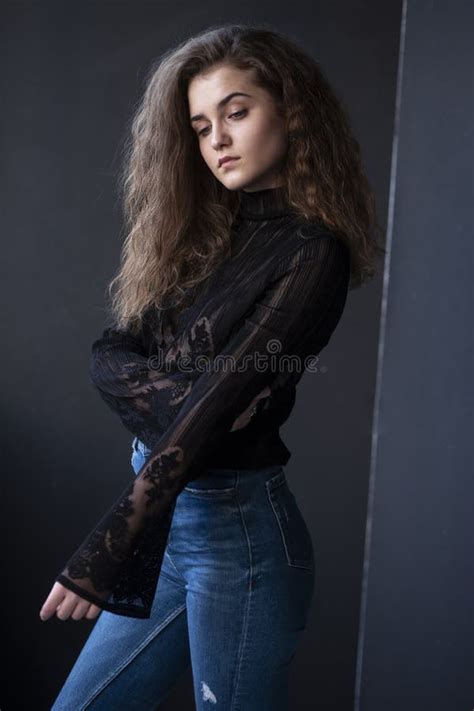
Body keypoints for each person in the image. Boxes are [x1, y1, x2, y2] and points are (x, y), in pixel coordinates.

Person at [43, 22, 383, 710]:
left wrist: (108, 543)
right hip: (175, 530)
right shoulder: (208, 237)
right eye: (200, 127)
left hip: (241, 544)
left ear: (290, 110)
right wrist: (202, 402)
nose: (217, 141)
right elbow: (109, 353)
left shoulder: (313, 253)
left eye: (236, 112)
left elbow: (214, 409)